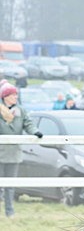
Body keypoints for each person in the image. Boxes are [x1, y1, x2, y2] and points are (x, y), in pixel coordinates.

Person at [0, 84, 43, 218]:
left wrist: (36, 132)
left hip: (14, 153)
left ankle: (9, 212)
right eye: (13, 95)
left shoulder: (21, 111)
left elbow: (28, 124)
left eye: (16, 95)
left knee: (10, 185)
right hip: (0, 152)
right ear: (5, 97)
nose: (15, 97)